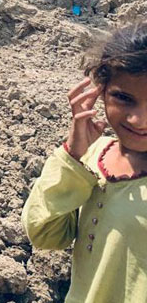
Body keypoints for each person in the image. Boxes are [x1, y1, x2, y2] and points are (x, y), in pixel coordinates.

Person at [22, 22, 147, 303]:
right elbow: (46, 233)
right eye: (124, 98)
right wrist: (73, 155)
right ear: (100, 92)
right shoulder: (94, 155)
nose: (139, 120)